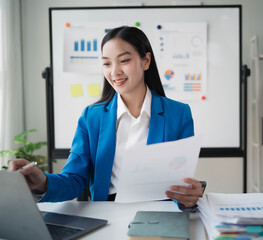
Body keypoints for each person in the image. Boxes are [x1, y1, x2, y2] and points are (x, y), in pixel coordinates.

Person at [8, 26, 203, 211]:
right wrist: (42, 181)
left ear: (146, 61)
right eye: (107, 63)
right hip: (107, 215)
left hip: (159, 214)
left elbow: (181, 186)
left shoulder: (178, 114)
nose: (114, 71)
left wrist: (188, 200)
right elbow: (74, 179)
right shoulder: (91, 117)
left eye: (124, 60)